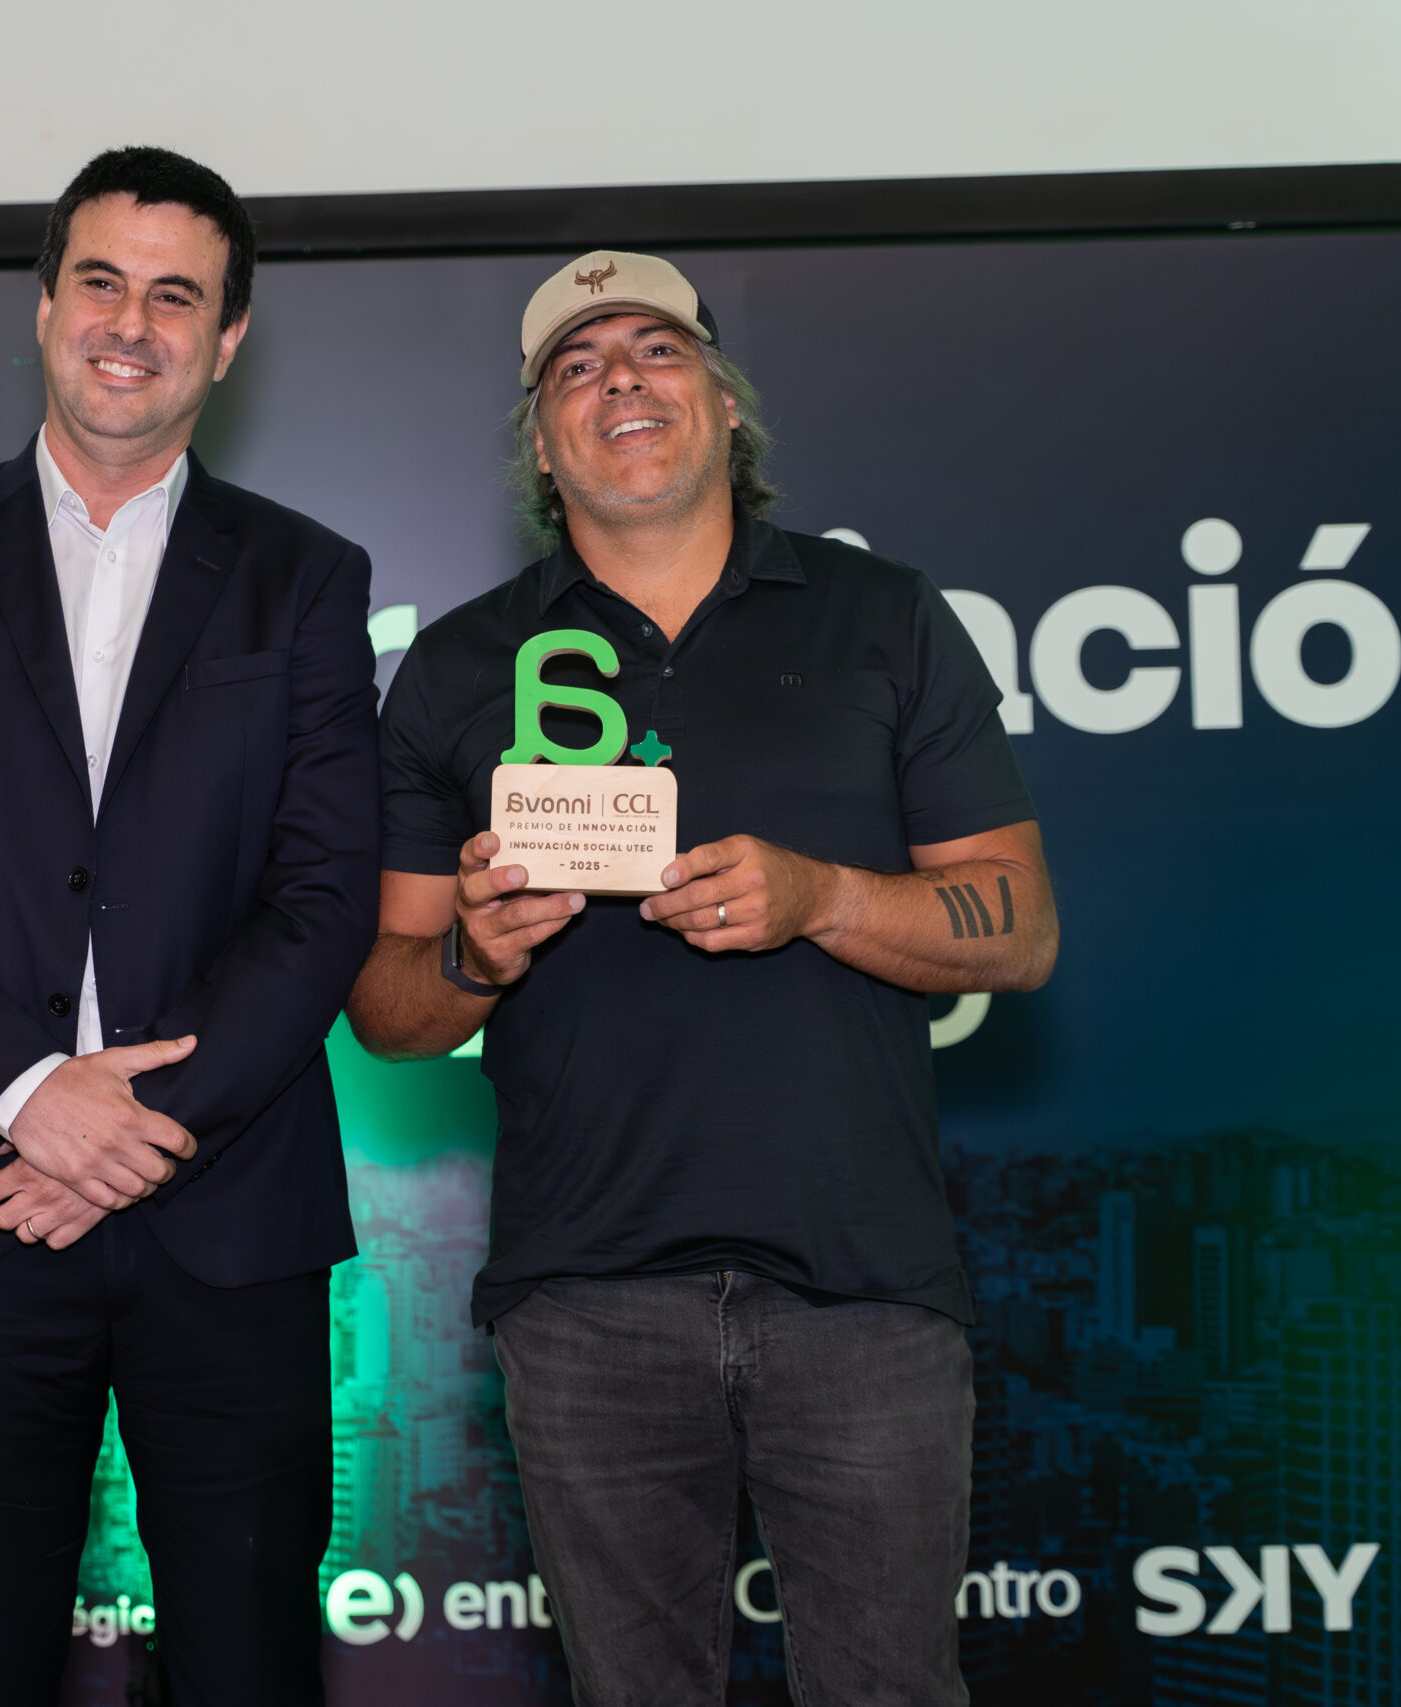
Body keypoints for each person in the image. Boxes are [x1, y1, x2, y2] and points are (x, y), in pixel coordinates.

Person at [348, 251, 1060, 1704]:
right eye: (577, 366)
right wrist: (476, 953)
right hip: (585, 1299)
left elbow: (1022, 930)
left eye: (657, 350)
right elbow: (385, 1008)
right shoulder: (458, 667)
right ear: (542, 444)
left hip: (861, 1286)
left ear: (726, 404)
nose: (620, 379)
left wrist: (821, 898)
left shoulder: (883, 616)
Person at [0, 147, 379, 1706]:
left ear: (228, 340)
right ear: (44, 306)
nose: (132, 324)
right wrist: (24, 1095)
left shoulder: (307, 580)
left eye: (177, 296)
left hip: (230, 1218)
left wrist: (136, 1126)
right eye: (102, 282)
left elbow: (325, 891)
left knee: (249, 1670)